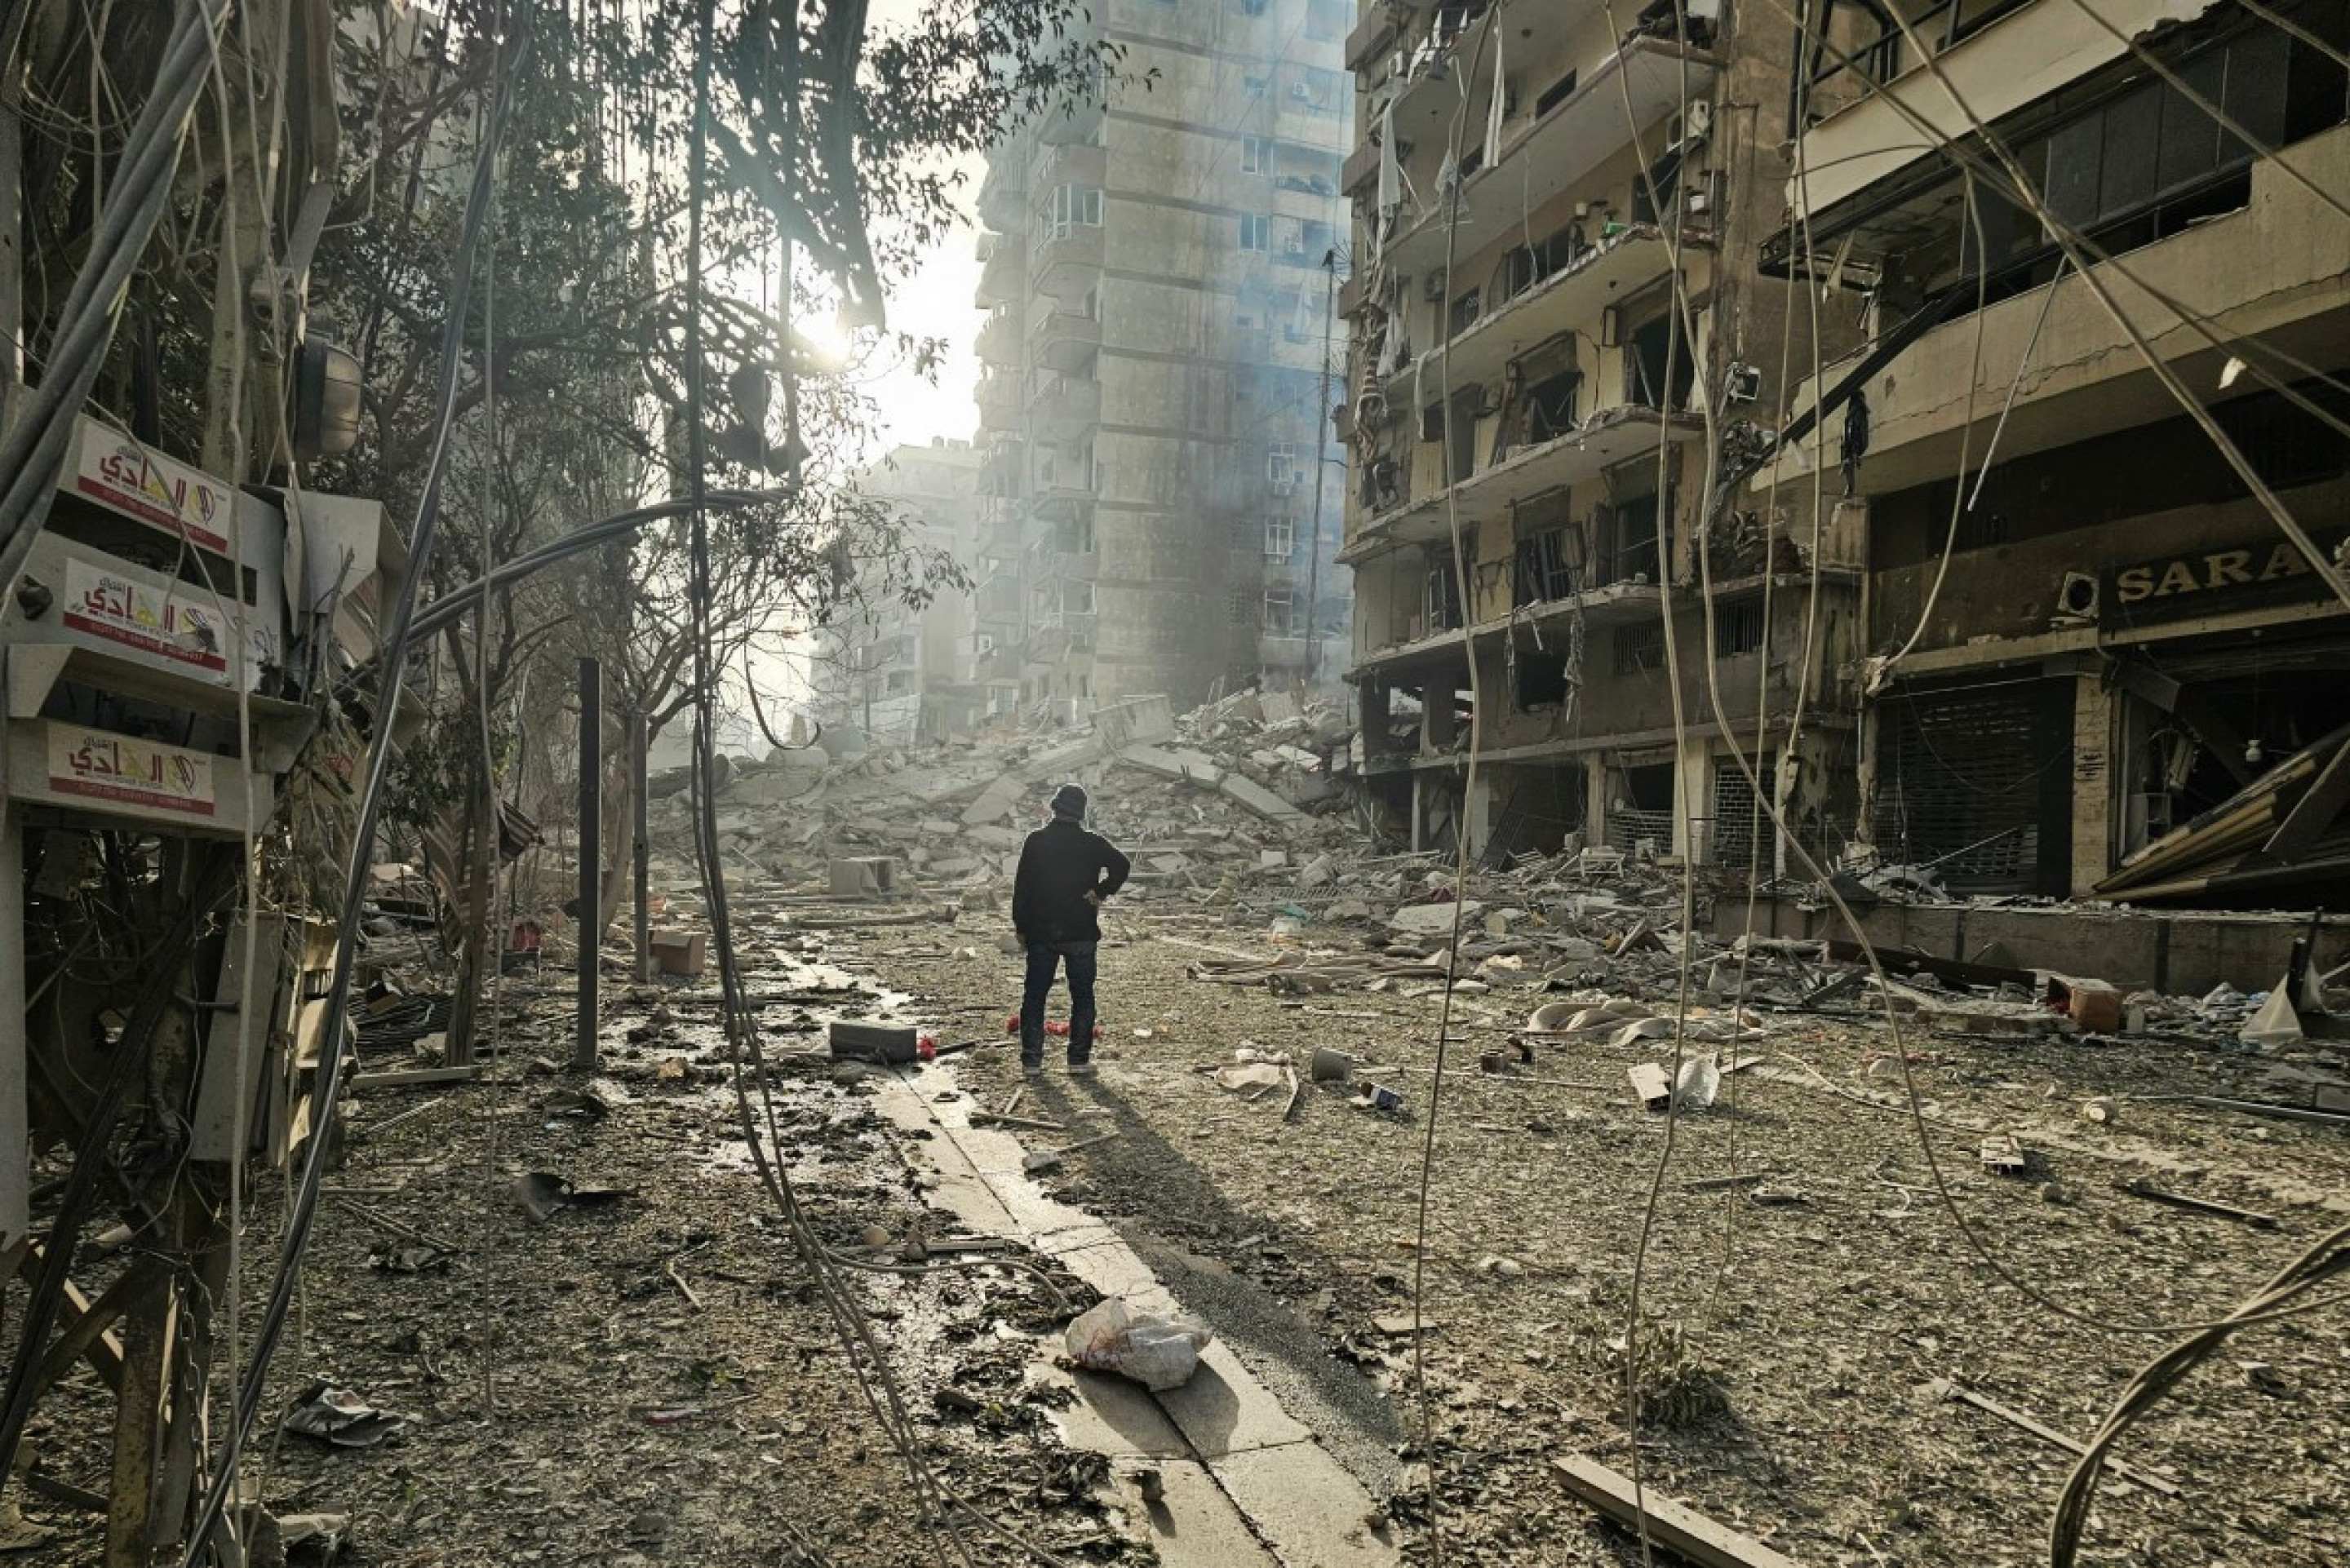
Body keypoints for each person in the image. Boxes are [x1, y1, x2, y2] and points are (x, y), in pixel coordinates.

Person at [1010, 782, 1129, 1077]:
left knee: (1035, 996)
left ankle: (1032, 1062)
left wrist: (1021, 927)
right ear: (1082, 813)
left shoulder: (1036, 841)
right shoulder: (1091, 842)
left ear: (1054, 808)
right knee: (1083, 996)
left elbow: (1022, 888)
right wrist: (1102, 891)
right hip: (1080, 930)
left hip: (1041, 931)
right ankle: (1078, 1060)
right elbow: (1122, 865)